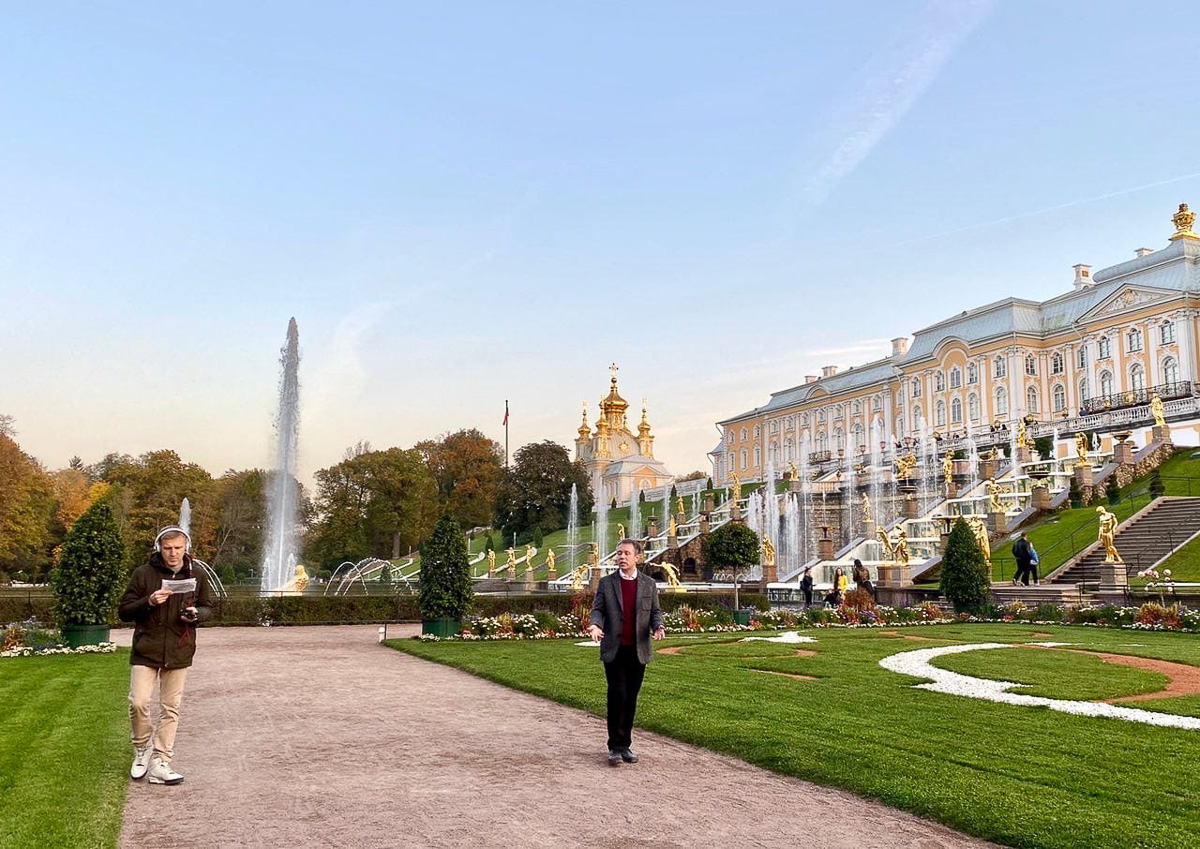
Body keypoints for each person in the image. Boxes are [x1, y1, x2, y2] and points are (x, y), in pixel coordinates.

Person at [117, 526, 212, 786]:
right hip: (146, 648)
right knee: (139, 702)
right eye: (168, 548)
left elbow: (208, 607)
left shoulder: (198, 573)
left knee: (171, 708)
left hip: (179, 649)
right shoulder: (143, 574)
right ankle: (142, 748)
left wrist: (196, 614)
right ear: (159, 547)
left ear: (186, 548)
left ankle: (161, 761)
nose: (173, 553)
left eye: (178, 548)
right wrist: (148, 601)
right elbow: (124, 611)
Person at [588, 539, 665, 766]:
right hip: (615, 649)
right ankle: (614, 746)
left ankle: (626, 745)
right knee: (617, 694)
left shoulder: (649, 584)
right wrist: (595, 625)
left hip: (638, 649)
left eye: (626, 553)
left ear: (637, 557)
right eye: (618, 553)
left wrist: (658, 626)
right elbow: (598, 609)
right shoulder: (607, 583)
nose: (622, 557)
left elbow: (655, 611)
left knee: (630, 698)